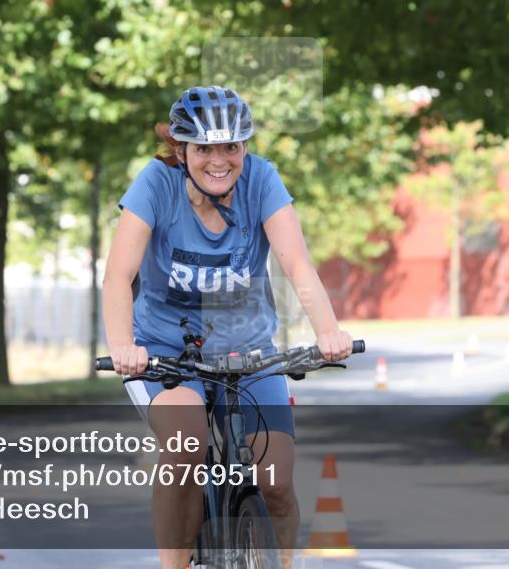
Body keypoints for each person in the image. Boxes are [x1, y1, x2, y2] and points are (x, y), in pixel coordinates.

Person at [103, 86, 353, 569]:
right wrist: (121, 345)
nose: (219, 160)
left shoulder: (262, 180)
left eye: (231, 147)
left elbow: (297, 265)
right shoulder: (155, 184)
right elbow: (118, 275)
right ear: (182, 150)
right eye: (204, 149)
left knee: (276, 484)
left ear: (244, 148)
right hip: (164, 354)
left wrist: (329, 332)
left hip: (248, 350)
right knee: (185, 447)